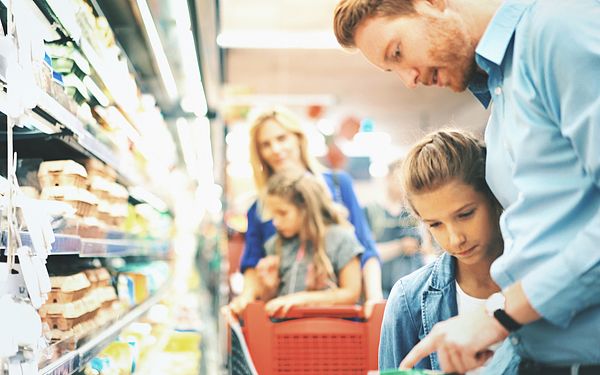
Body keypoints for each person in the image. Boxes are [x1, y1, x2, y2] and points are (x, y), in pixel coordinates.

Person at [333, 1, 600, 374]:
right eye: (392, 69)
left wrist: (501, 315)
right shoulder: (504, 95)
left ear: (431, 4)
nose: (408, 79)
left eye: (398, 52)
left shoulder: (555, 31)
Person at [379, 130, 517, 374]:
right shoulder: (407, 300)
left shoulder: (542, 279)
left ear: (493, 195)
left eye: (465, 215)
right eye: (435, 224)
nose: (455, 239)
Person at [229, 108, 382, 315]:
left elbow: (364, 247)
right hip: (284, 321)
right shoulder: (259, 208)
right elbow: (253, 264)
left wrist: (375, 300)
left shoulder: (337, 184)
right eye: (265, 144)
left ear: (298, 138)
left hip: (339, 320)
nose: (275, 148)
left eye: (282, 138)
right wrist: (244, 300)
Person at [257, 168, 363, 316]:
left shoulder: (342, 239)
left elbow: (351, 293)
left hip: (331, 335)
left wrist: (301, 300)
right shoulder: (275, 245)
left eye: (283, 213)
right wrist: (269, 287)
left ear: (306, 208)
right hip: (284, 334)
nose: (275, 222)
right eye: (273, 214)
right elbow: (272, 302)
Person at [363, 159, 424, 298]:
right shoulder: (371, 212)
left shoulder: (414, 212)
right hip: (381, 290)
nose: (402, 185)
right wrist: (400, 246)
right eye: (398, 179)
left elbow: (427, 249)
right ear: (388, 178)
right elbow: (367, 254)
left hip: (412, 291)